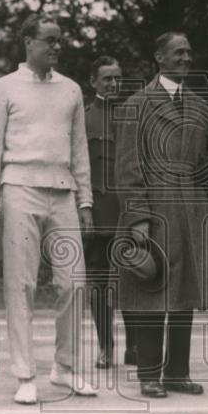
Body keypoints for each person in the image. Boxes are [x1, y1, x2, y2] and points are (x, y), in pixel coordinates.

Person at [0, 16, 97, 405]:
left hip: (63, 192)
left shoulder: (72, 90)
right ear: (28, 43)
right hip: (18, 190)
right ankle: (25, 374)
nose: (57, 46)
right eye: (49, 40)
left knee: (74, 283)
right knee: (21, 284)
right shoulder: (2, 88)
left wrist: (86, 201)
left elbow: (79, 150)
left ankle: (66, 367)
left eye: (60, 41)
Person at [114, 32, 208, 398]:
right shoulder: (136, 105)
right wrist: (138, 217)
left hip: (190, 207)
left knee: (184, 292)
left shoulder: (201, 106)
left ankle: (177, 372)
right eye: (178, 52)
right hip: (154, 209)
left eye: (189, 52)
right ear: (159, 57)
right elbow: (127, 167)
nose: (186, 58)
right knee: (150, 291)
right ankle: (149, 374)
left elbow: (206, 158)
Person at [84, 55, 135, 368]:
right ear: (94, 82)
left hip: (129, 213)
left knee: (134, 279)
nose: (114, 84)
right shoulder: (83, 118)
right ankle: (106, 346)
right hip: (99, 214)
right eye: (107, 79)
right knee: (99, 284)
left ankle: (135, 346)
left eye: (118, 78)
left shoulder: (132, 115)